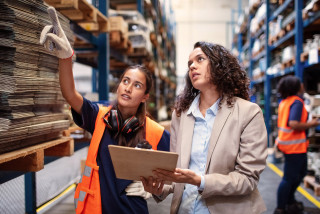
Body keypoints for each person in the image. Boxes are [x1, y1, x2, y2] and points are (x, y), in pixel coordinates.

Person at [39, 7, 170, 214]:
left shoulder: (156, 133)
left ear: (145, 96)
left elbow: (174, 177)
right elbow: (70, 95)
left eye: (137, 85)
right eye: (125, 81)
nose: (127, 87)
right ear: (118, 86)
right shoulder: (99, 116)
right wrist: (66, 58)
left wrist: (159, 190)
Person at [141, 41, 268, 214]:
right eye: (189, 63)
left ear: (219, 65)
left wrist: (200, 181)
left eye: (200, 59)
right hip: (185, 209)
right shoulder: (181, 115)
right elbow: (175, 175)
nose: (192, 66)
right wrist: (158, 189)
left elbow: (247, 179)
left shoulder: (248, 113)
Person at [274, 75, 320, 214]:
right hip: (294, 147)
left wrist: (306, 120)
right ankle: (281, 208)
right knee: (289, 178)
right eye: (299, 83)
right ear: (294, 87)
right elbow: (293, 123)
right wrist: (311, 124)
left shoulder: (285, 101)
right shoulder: (297, 102)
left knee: (299, 174)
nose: (302, 84)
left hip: (288, 145)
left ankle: (290, 201)